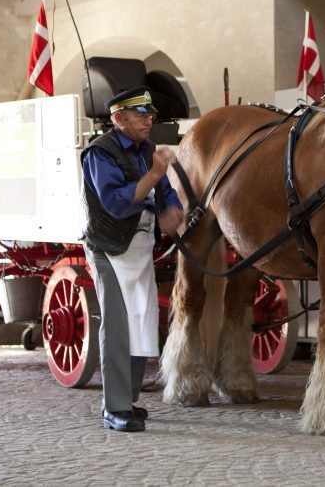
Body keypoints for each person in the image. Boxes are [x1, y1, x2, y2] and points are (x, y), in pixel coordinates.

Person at [81, 86, 185, 432]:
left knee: (142, 318)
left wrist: (172, 211)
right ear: (118, 118)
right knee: (116, 324)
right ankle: (114, 407)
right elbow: (115, 202)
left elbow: (166, 193)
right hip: (108, 247)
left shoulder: (148, 151)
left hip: (139, 246)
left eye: (150, 113)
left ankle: (127, 398)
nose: (148, 119)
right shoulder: (100, 153)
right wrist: (154, 175)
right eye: (140, 114)